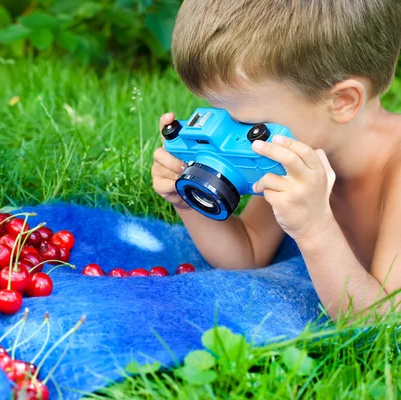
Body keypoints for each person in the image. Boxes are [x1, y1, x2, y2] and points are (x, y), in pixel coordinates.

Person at [152, 0, 401, 319]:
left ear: (341, 101)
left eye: (247, 125)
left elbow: (383, 321)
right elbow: (250, 253)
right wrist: (187, 203)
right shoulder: (293, 155)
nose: (228, 133)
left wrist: (314, 229)